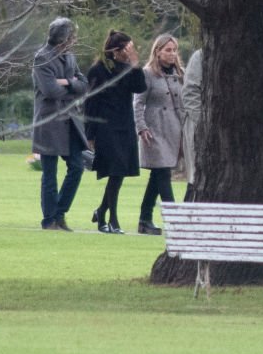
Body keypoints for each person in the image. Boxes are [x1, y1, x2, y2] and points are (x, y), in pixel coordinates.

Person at [85, 30, 147, 234]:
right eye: (126, 49)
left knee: (119, 174)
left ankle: (102, 211)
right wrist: (90, 134)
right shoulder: (98, 70)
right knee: (115, 170)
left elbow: (140, 87)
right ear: (115, 51)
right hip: (106, 127)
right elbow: (91, 102)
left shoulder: (128, 69)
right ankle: (112, 219)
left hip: (125, 125)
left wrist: (135, 64)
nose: (128, 53)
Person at [33, 17, 89, 231]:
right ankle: (49, 220)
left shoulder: (70, 56)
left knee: (76, 167)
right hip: (50, 120)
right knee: (50, 173)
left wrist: (67, 82)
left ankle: (60, 213)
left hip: (71, 121)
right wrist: (72, 88)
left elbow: (84, 85)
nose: (74, 39)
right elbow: (49, 91)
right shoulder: (42, 58)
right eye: (72, 35)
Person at [134, 34, 184, 235]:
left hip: (174, 128)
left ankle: (144, 220)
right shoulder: (147, 74)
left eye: (174, 50)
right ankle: (174, 221)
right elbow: (138, 103)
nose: (172, 54)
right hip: (153, 130)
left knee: (158, 174)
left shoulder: (180, 74)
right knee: (163, 173)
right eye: (167, 50)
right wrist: (141, 127)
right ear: (157, 51)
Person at [181, 49, 202, 201]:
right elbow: (190, 93)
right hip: (200, 127)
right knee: (196, 177)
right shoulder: (201, 56)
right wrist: (203, 123)